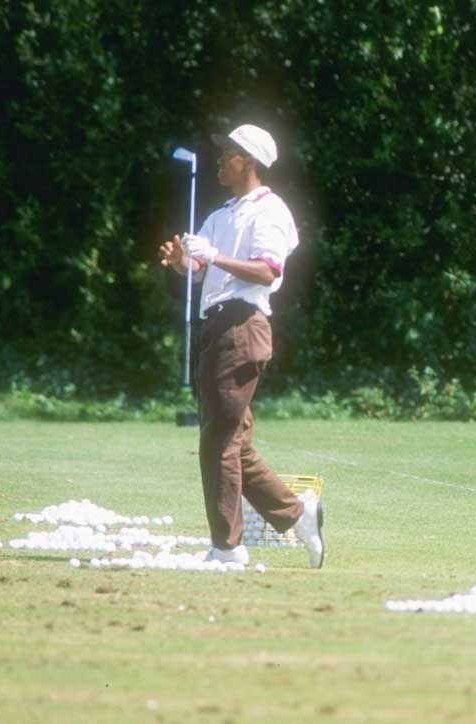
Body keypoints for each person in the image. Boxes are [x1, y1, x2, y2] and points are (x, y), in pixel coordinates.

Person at [158, 123, 324, 568]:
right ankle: (296, 513)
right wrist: (184, 264)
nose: (219, 159)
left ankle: (228, 548)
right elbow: (201, 272)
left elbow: (268, 271)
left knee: (218, 440)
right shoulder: (221, 214)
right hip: (216, 326)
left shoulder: (270, 211)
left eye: (227, 153)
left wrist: (212, 256)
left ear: (248, 161)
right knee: (232, 441)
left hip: (242, 325)